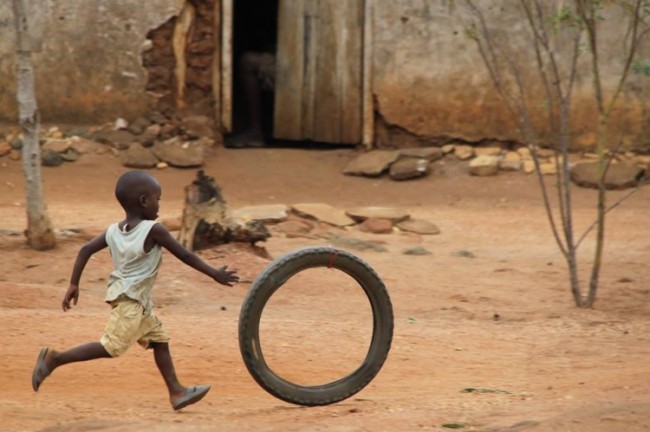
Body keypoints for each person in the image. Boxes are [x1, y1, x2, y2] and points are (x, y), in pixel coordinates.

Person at [31, 170, 240, 411]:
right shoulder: (154, 229)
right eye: (157, 199)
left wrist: (74, 284)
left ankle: (177, 392)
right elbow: (184, 254)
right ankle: (54, 359)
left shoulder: (113, 231)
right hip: (130, 301)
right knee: (111, 347)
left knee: (159, 341)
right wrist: (214, 273)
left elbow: (85, 250)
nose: (159, 204)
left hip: (135, 301)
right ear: (144, 201)